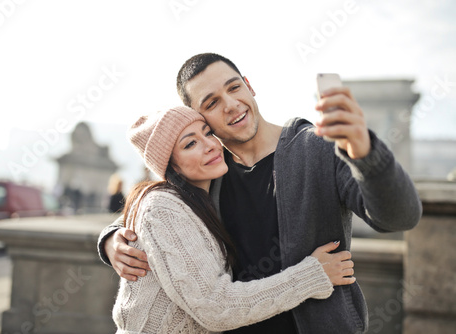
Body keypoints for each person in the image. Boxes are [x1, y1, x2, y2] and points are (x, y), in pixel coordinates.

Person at [98, 54, 422, 333]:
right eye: (211, 103)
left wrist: (366, 152)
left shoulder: (318, 149)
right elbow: (164, 210)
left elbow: (399, 217)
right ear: (201, 117)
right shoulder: (209, 171)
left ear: (249, 86)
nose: (231, 104)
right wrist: (114, 239)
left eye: (234, 87)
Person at [108, 106, 355, 333]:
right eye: (191, 143)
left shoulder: (198, 200)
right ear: (172, 167)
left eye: (207, 133)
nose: (210, 145)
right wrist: (311, 275)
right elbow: (214, 306)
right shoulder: (163, 207)